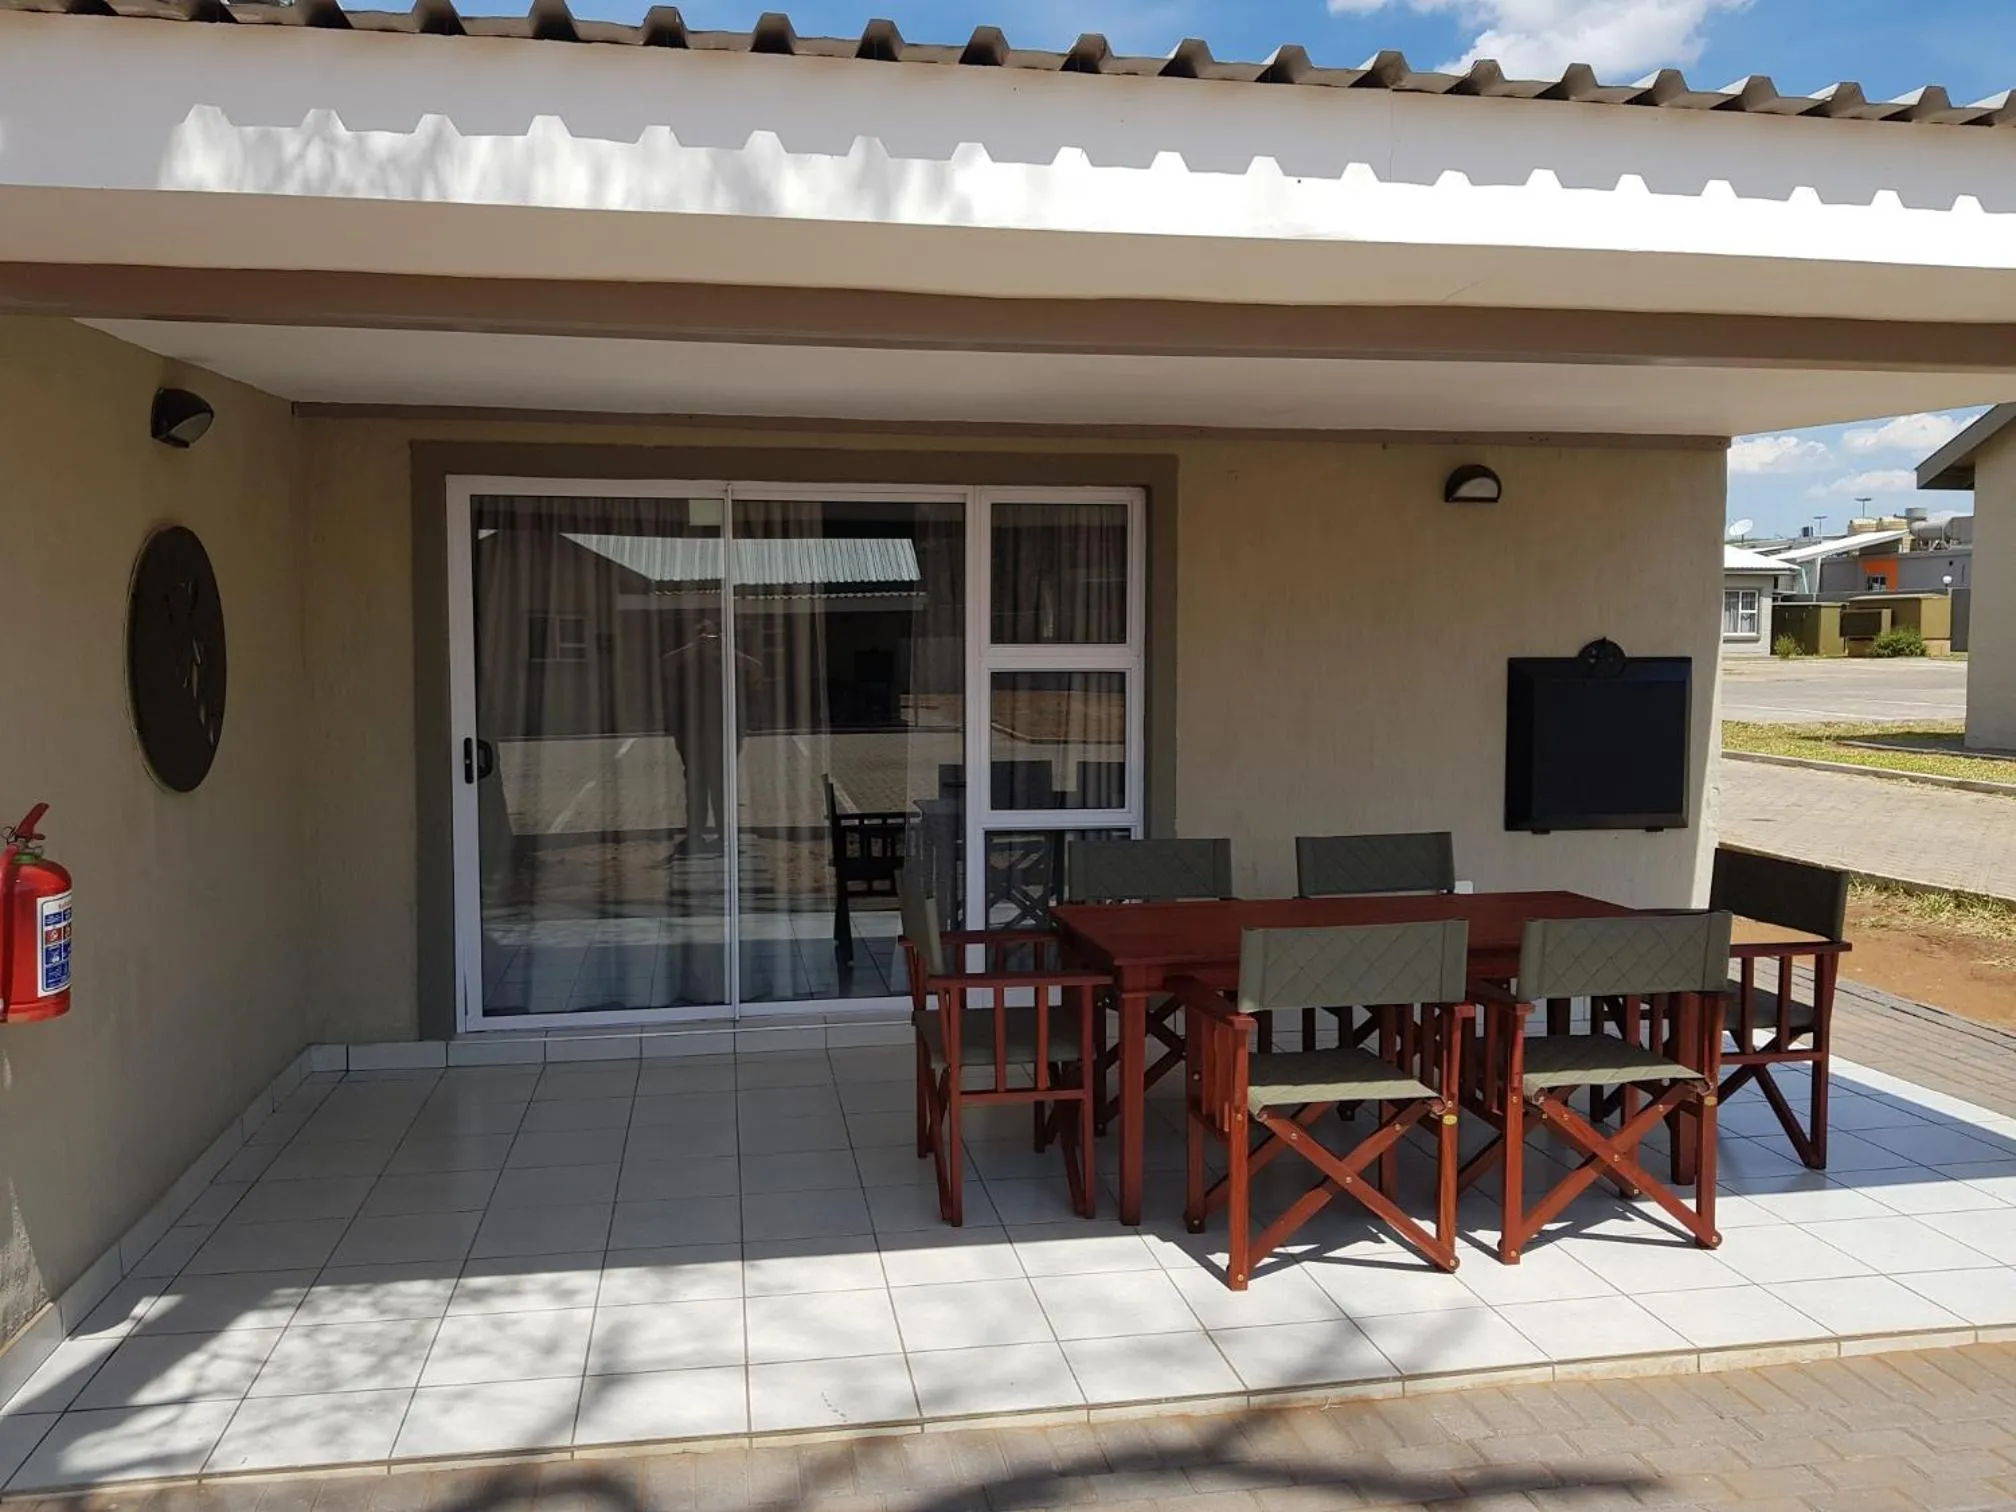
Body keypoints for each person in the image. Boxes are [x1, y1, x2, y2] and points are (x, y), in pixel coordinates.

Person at [662, 615, 760, 856]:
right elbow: (665, 665)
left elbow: (756, 668)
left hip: (723, 734)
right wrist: (693, 648)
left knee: (720, 785)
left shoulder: (727, 661)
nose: (709, 642)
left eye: (712, 637)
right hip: (691, 734)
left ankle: (724, 834)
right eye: (703, 636)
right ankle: (695, 834)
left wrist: (727, 651)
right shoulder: (687, 661)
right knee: (696, 785)